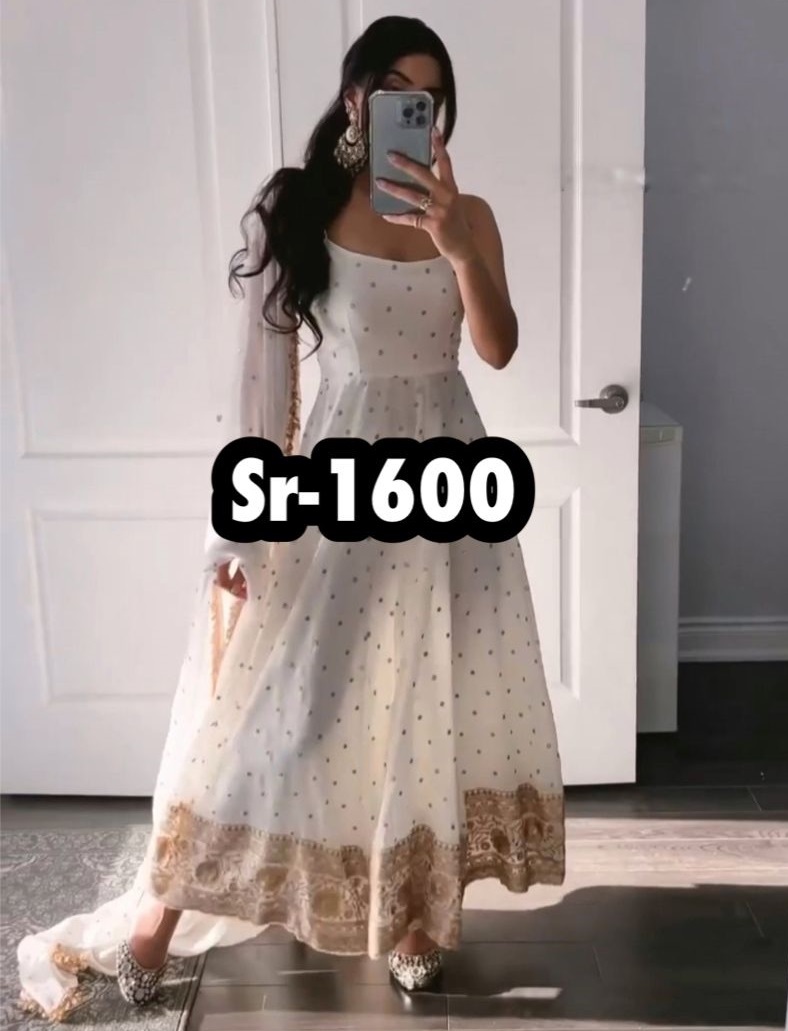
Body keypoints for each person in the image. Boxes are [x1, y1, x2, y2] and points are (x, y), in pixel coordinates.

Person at [17, 14, 565, 1018]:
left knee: (428, 700)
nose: (414, 108)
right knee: (282, 714)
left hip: (448, 489)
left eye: (429, 98)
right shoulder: (300, 208)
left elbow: (496, 347)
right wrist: (238, 528)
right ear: (355, 100)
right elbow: (263, 385)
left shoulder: (470, 216)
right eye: (394, 91)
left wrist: (455, 247)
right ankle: (153, 921)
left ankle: (415, 920)